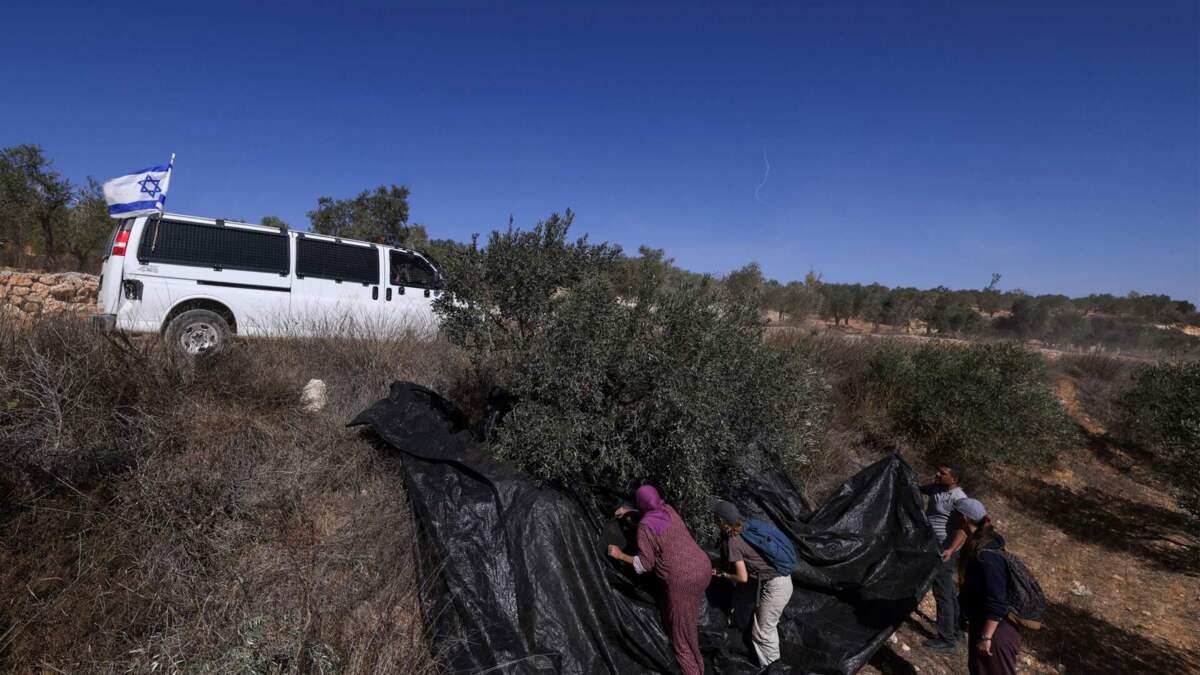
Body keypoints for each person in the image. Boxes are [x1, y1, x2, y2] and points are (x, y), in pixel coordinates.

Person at [608, 486, 711, 675]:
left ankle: (694, 670)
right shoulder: (669, 510)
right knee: (688, 617)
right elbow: (652, 512)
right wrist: (631, 511)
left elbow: (645, 564)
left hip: (683, 581)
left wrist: (620, 555)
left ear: (641, 504)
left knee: (680, 636)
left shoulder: (645, 528)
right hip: (703, 568)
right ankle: (691, 635)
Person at [712, 500, 793, 670]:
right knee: (743, 606)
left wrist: (723, 574)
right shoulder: (747, 524)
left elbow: (742, 577)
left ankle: (774, 670)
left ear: (720, 520)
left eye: (714, 517)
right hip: (766, 580)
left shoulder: (734, 541)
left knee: (762, 634)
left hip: (776, 585)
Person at [955, 499, 1022, 675]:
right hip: (986, 627)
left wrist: (986, 636)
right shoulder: (978, 547)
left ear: (963, 518)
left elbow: (997, 600)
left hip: (996, 633)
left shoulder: (987, 556)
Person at [920, 463, 969, 652]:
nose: (937, 474)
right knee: (947, 590)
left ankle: (947, 640)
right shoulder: (936, 488)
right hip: (933, 545)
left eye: (943, 473)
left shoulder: (959, 499)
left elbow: (962, 530)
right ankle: (955, 631)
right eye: (938, 471)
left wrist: (950, 550)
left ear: (954, 479)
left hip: (945, 549)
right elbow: (915, 487)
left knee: (942, 591)